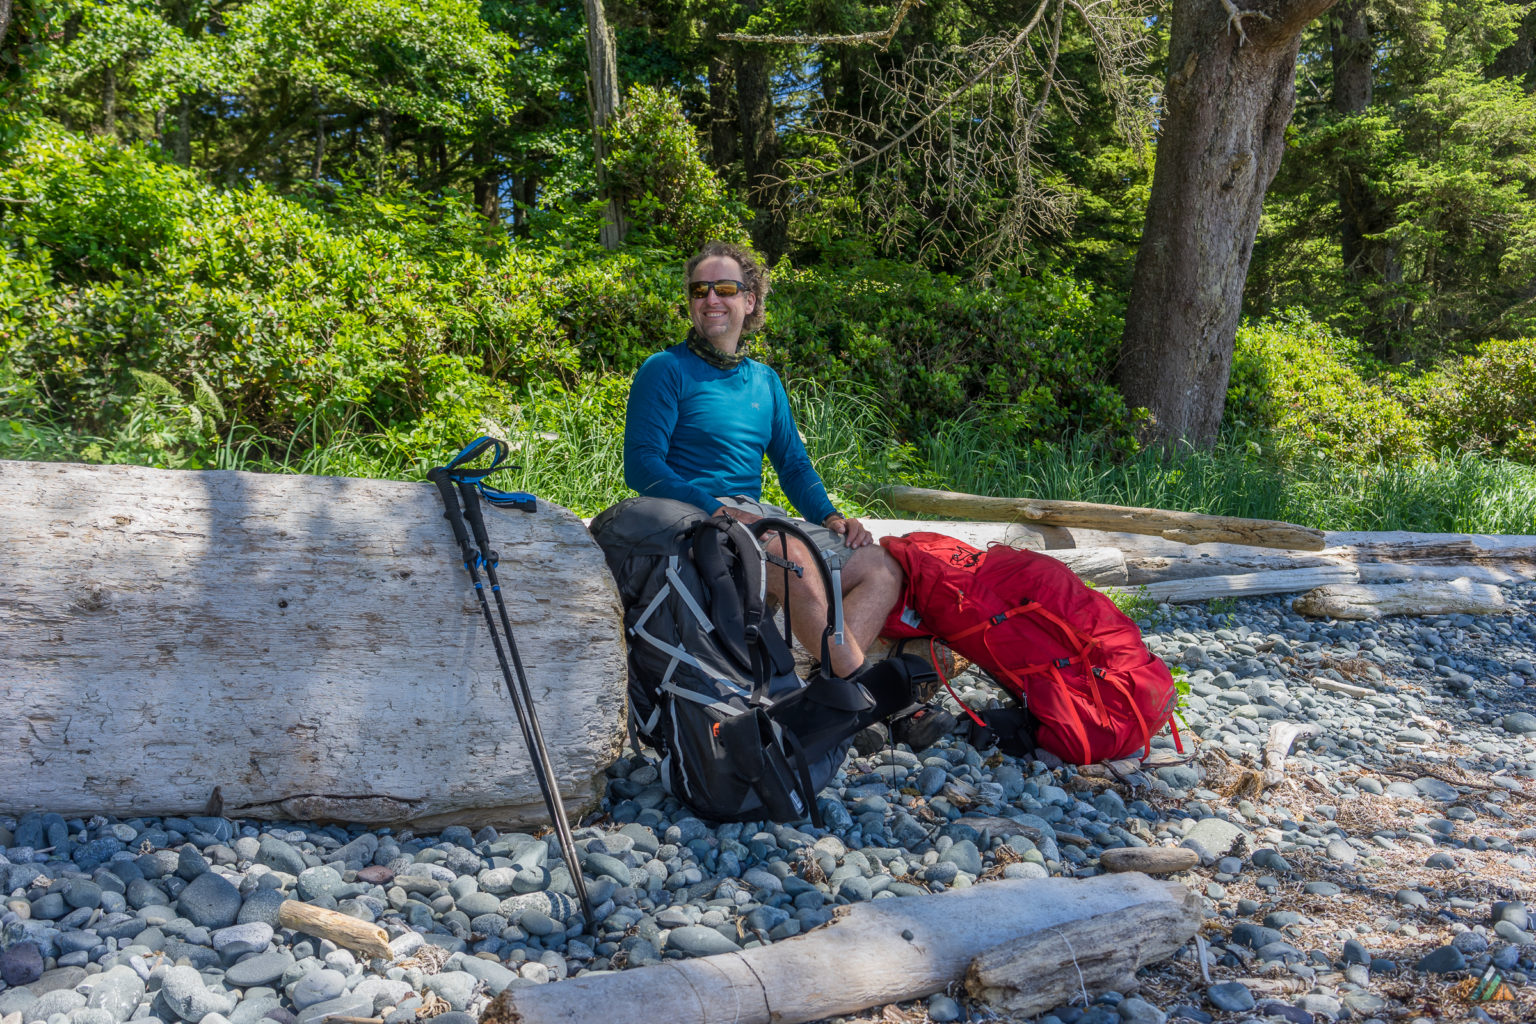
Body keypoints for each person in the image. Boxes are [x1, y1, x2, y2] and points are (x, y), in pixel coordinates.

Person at [623, 240, 954, 746]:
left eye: (726, 288)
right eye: (699, 289)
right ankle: (867, 698)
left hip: (761, 519)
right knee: (790, 553)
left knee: (882, 566)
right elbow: (642, 465)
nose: (711, 298)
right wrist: (718, 509)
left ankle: (829, 694)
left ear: (750, 300)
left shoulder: (764, 381)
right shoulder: (664, 370)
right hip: (696, 520)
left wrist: (832, 515)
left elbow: (793, 465)